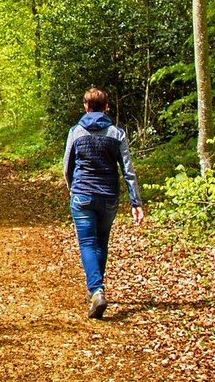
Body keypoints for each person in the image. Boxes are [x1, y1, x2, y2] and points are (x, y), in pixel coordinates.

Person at [63, 87, 145, 319]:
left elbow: (67, 165)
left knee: (88, 243)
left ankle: (96, 290)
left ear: (86, 107)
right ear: (106, 107)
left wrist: (72, 188)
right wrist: (135, 202)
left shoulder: (76, 131)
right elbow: (128, 171)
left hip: (82, 194)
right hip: (108, 196)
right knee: (101, 242)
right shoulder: (117, 133)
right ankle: (97, 288)